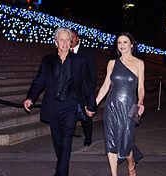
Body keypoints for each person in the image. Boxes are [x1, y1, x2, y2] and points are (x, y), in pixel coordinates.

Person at [23, 27, 96, 176]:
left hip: (70, 105)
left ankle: (61, 172)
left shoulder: (79, 61)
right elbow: (39, 80)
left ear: (71, 42)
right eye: (61, 39)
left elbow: (87, 84)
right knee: (57, 140)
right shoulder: (47, 60)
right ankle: (63, 166)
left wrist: (91, 104)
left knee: (67, 139)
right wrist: (31, 97)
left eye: (67, 40)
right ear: (56, 42)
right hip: (53, 105)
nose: (64, 42)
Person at [96, 32, 145, 176]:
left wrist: (140, 102)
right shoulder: (112, 63)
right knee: (111, 140)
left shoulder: (139, 63)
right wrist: (95, 103)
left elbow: (141, 87)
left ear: (131, 44)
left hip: (131, 107)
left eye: (125, 42)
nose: (122, 45)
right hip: (111, 106)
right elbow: (106, 85)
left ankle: (131, 164)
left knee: (127, 140)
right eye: (119, 42)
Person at [70, 29, 97, 146]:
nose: (70, 40)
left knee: (86, 116)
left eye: (73, 37)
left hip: (84, 91)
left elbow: (92, 74)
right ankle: (70, 134)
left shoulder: (87, 53)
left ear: (78, 38)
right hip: (69, 91)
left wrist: (90, 91)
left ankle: (88, 137)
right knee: (70, 114)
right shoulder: (65, 51)